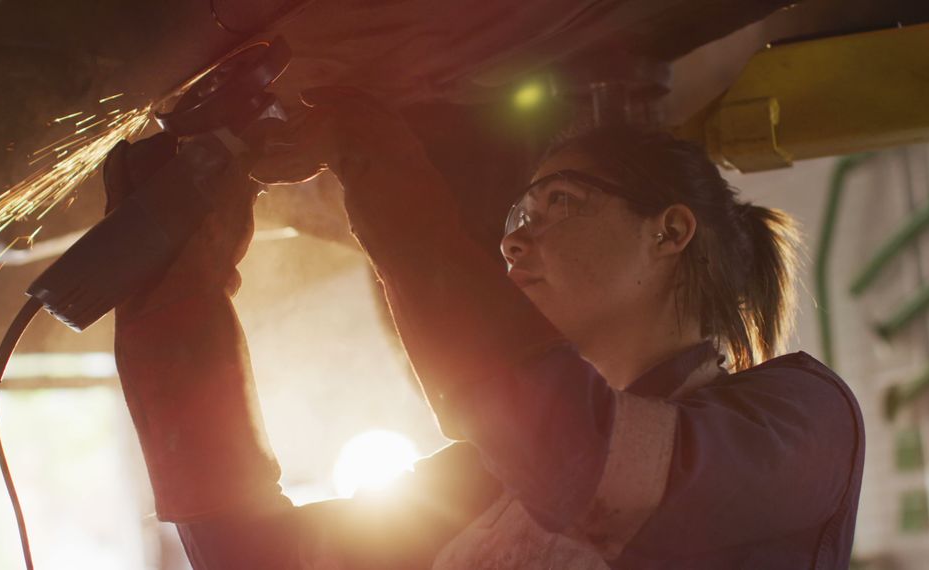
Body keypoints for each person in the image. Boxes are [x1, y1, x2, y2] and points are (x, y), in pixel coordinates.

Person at [105, 87, 864, 569]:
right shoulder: (488, 493)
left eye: (560, 202)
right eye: (516, 216)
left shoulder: (804, 425)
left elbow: (582, 462)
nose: (513, 240)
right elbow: (257, 559)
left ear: (669, 232)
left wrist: (369, 155)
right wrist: (177, 291)